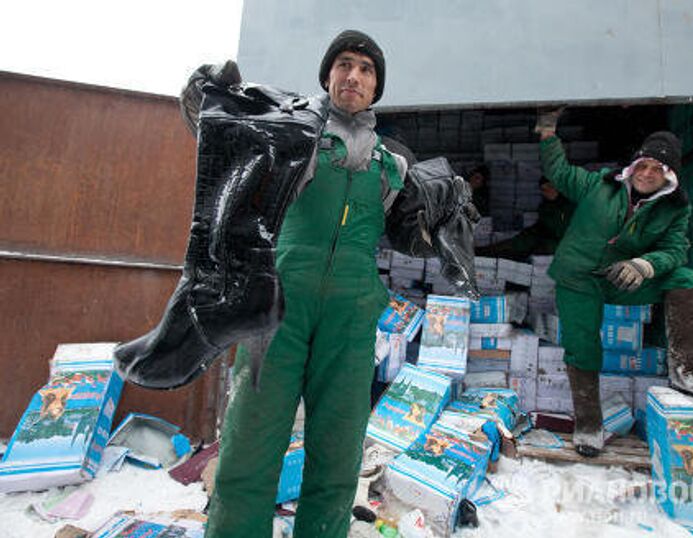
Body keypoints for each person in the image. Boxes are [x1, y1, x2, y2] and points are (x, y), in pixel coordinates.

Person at [113, 30, 479, 538]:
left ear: (376, 88)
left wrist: (448, 219)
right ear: (327, 75)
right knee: (251, 440)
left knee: (338, 450)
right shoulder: (289, 132)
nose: (354, 76)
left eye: (366, 70)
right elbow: (220, 135)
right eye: (345, 64)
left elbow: (408, 235)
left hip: (351, 316)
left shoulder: (392, 163)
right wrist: (203, 100)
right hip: (277, 307)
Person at [534, 107, 693, 457]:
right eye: (643, 165)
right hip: (577, 279)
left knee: (686, 277)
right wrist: (546, 130)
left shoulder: (675, 208)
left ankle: (690, 372)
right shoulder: (597, 186)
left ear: (669, 176)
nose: (648, 174)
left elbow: (676, 250)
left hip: (623, 279)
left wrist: (646, 265)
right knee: (583, 344)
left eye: (658, 169)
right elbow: (557, 170)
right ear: (633, 167)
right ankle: (588, 422)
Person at [475, 177, 574, 260]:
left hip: (559, 243)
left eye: (550, 187)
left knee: (528, 253)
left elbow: (561, 230)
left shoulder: (569, 206)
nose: (548, 192)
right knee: (510, 245)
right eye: (544, 190)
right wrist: (529, 232)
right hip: (540, 237)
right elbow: (541, 225)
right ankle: (480, 252)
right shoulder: (545, 206)